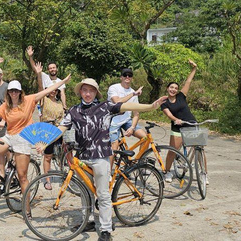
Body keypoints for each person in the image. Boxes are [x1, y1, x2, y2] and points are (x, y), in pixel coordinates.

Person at [39, 78, 166, 241]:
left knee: (103, 194)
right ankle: (89, 220)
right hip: (83, 157)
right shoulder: (74, 111)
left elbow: (127, 105)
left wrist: (150, 106)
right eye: (84, 90)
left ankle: (106, 230)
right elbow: (60, 129)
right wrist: (45, 144)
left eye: (91, 90)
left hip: (101, 157)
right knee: (85, 193)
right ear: (80, 92)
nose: (87, 93)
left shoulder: (105, 107)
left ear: (96, 93)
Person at [0, 75, 71, 198]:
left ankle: (26, 209)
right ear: (8, 92)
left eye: (16, 91)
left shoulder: (28, 100)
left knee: (22, 177)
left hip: (23, 138)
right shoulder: (5, 106)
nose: (14, 93)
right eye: (11, 91)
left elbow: (47, 91)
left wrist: (63, 81)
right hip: (9, 137)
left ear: (20, 92)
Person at [160, 60, 202, 183]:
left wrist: (194, 68)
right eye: (171, 87)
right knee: (172, 150)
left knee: (199, 148)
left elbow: (188, 81)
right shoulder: (164, 102)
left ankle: (203, 173)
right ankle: (166, 172)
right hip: (177, 127)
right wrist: (176, 119)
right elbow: (168, 114)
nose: (173, 89)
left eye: (176, 88)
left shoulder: (181, 96)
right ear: (167, 88)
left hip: (191, 124)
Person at [34, 62, 64, 189]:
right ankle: (47, 180)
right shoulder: (44, 100)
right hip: (47, 129)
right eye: (51, 90)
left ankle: (65, 176)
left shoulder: (59, 103)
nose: (53, 92)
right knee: (48, 156)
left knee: (64, 154)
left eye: (55, 90)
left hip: (59, 130)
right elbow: (41, 88)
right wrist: (39, 74)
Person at [107, 68, 146, 166]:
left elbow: (136, 114)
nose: (127, 77)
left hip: (126, 121)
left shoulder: (134, 92)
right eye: (125, 75)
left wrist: (132, 128)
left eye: (130, 75)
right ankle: (108, 174)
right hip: (113, 121)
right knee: (114, 147)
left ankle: (137, 164)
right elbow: (117, 102)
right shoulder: (114, 88)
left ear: (132, 78)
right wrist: (133, 94)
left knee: (145, 138)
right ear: (121, 77)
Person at [27, 45, 67, 110]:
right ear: (48, 70)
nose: (52, 69)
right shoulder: (44, 76)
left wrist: (64, 105)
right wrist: (30, 57)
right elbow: (35, 68)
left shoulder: (60, 81)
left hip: (55, 105)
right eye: (50, 68)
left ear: (57, 69)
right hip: (44, 104)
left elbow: (62, 94)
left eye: (54, 68)